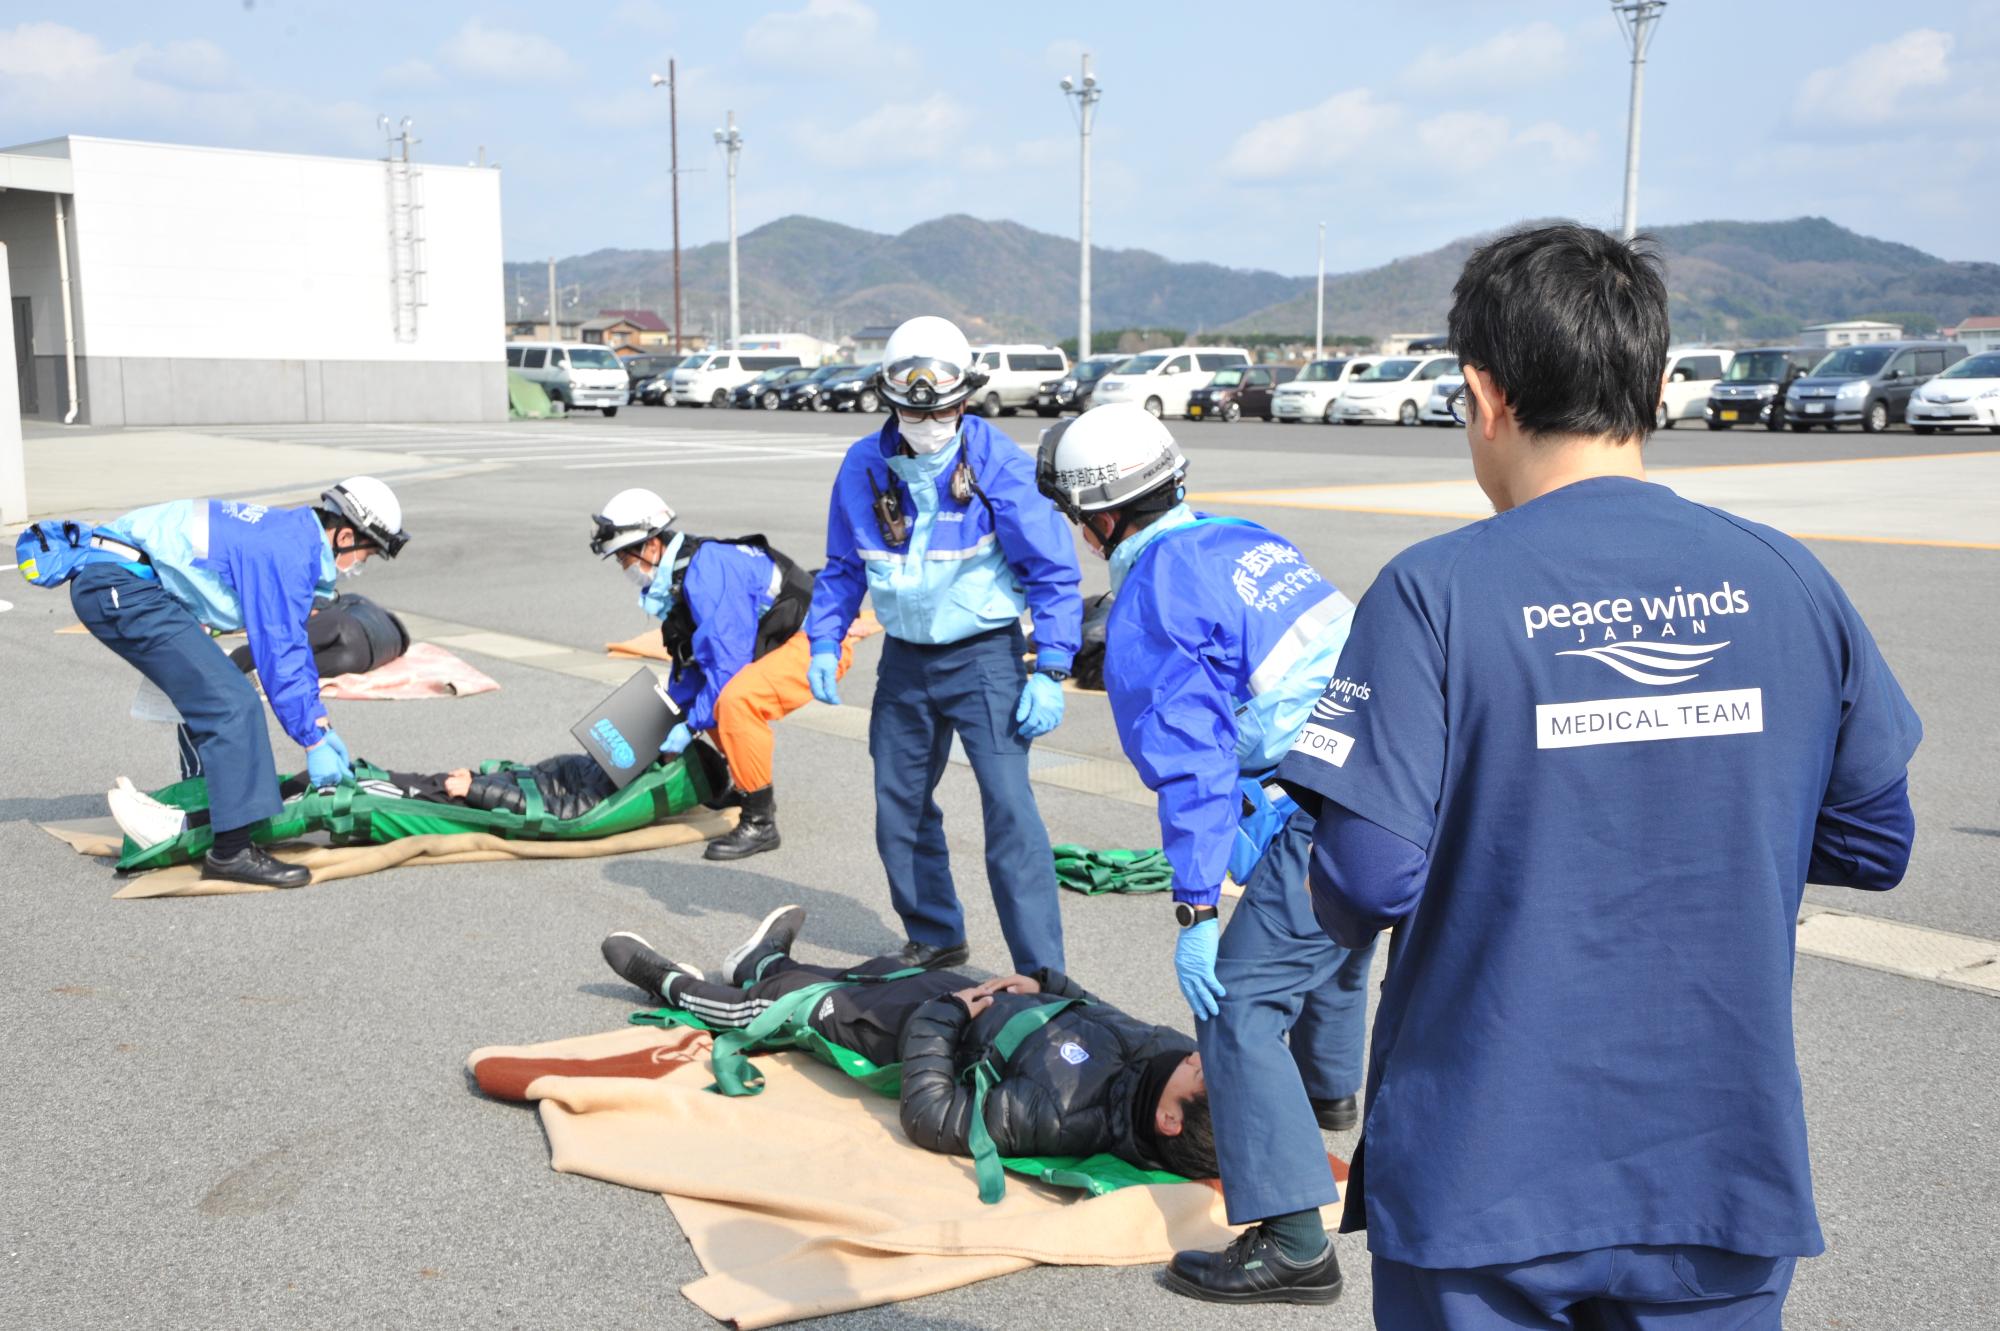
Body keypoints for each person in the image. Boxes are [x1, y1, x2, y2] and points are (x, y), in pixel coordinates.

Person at [1276, 224, 1922, 1330]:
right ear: (1655, 382)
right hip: (1718, 1162)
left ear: (1481, 391)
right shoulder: (1784, 576)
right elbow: (1874, 839)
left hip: (1486, 1163)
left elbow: (1366, 877)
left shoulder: (1434, 591)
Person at [1036, 402, 1372, 1307]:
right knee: (1337, 939)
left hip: (1326, 799)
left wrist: (1195, 910)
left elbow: (1192, 763)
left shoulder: (1151, 599)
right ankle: (1326, 1104)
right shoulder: (1240, 537)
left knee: (1240, 1004)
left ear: (1100, 519)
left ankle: (1297, 1242)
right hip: (1391, 769)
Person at [806, 316, 1082, 974]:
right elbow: (843, 566)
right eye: (913, 406)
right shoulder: (863, 467)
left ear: (966, 398)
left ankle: (1042, 971)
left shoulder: (999, 465)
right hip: (904, 659)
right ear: (890, 399)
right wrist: (824, 638)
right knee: (897, 805)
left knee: (1010, 809)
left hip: (984, 657)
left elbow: (1052, 570)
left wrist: (1052, 665)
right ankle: (935, 932)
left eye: (945, 406)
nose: (930, 418)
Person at [599, 908, 1217, 1181]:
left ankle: (674, 984)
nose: (1200, 1058)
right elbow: (1102, 1014)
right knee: (876, 970)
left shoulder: (1063, 1116)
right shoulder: (1169, 1055)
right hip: (976, 999)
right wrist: (1049, 984)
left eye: (1201, 1078)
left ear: (1168, 1119)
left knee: (787, 1010)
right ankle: (762, 960)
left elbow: (933, 1117)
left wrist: (943, 1020)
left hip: (922, 1031)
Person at [70, 478, 409, 888]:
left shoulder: (290, 537)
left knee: (221, 695)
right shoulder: (289, 553)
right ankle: (230, 853)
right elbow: (279, 653)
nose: (359, 566)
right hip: (124, 585)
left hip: (126, 581)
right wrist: (313, 742)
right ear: (344, 534)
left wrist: (320, 725)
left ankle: (198, 806)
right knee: (232, 705)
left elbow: (293, 645)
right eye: (365, 554)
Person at [591, 487, 850, 861]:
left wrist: (689, 725)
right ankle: (745, 786)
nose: (623, 569)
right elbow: (699, 664)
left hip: (818, 642)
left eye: (623, 558)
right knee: (706, 703)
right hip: (781, 641)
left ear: (650, 547)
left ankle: (761, 823)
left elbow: (727, 669)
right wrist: (665, 717)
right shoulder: (683, 573)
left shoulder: (707, 574)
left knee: (735, 700)